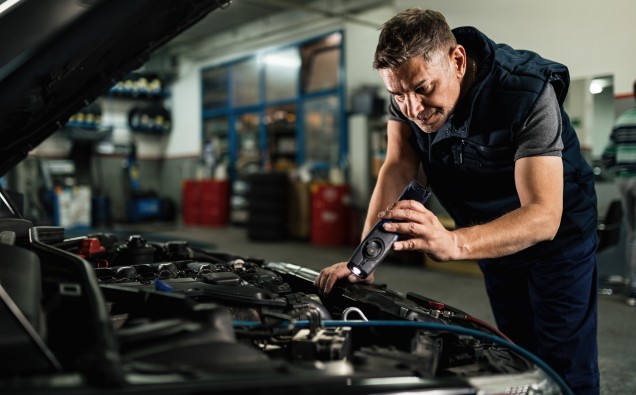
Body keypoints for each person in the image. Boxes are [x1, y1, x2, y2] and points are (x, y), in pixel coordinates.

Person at [315, 8, 599, 394]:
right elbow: (399, 165)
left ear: (458, 61)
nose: (412, 109)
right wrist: (364, 261)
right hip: (491, 236)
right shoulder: (406, 96)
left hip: (559, 241)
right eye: (398, 95)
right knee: (520, 353)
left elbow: (543, 216)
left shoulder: (528, 93)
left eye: (423, 89)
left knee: (566, 363)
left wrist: (454, 242)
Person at [601, 79, 636, 307]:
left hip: (625, 182)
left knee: (633, 235)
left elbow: (607, 157)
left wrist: (619, 174)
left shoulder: (623, 120)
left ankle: (633, 286)